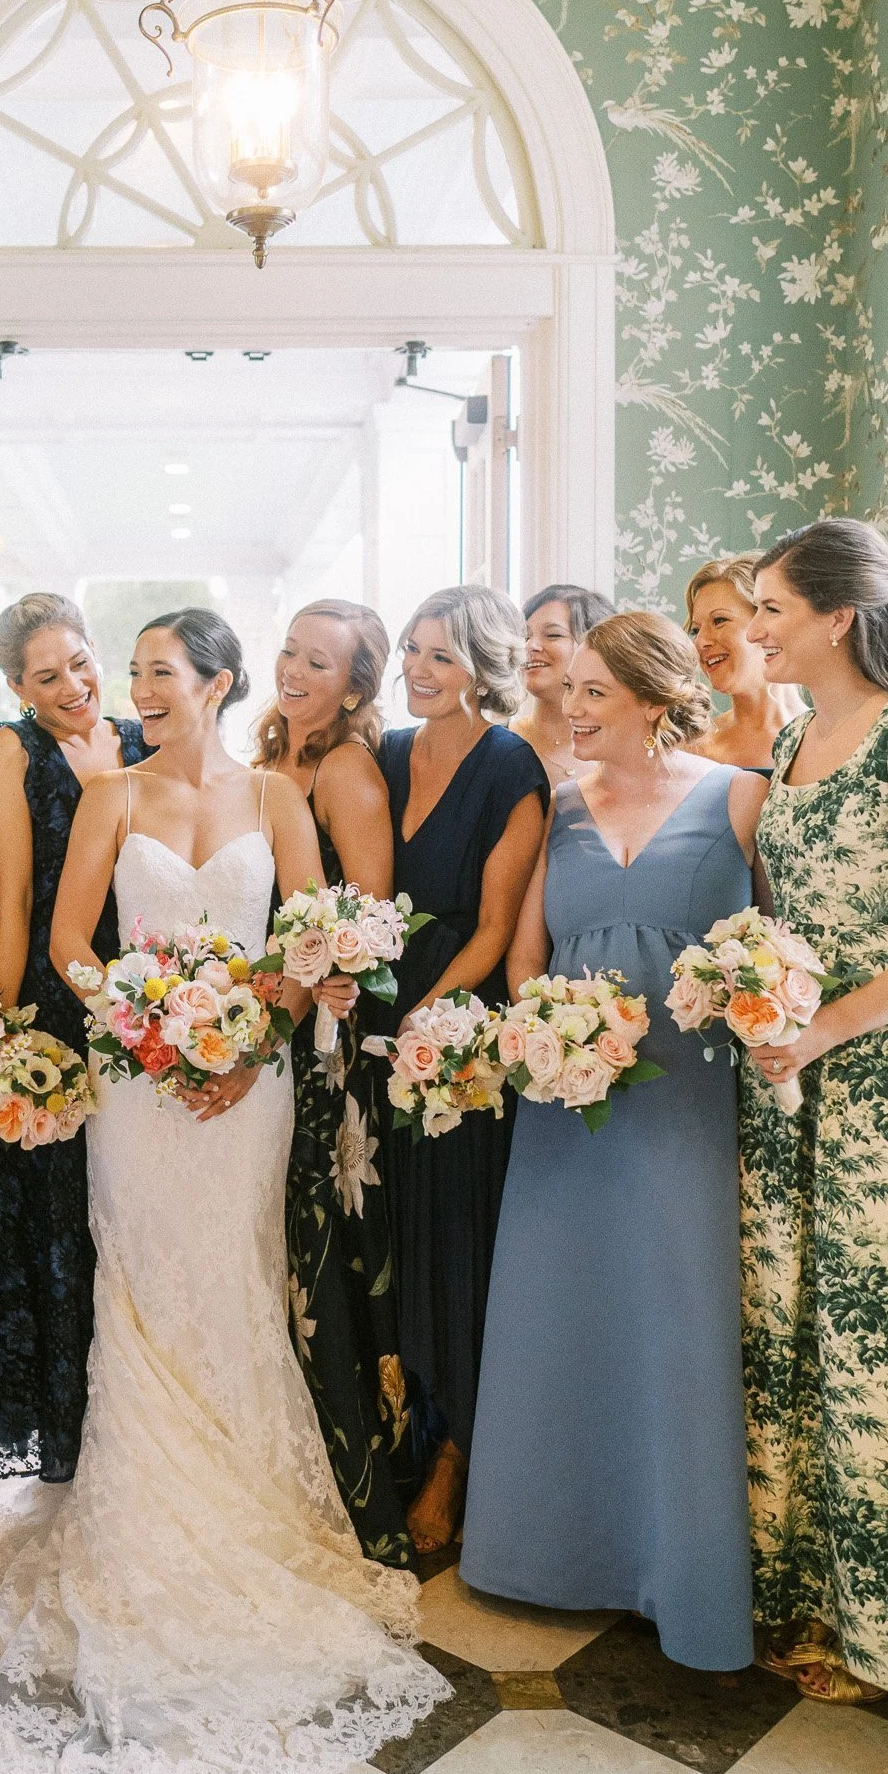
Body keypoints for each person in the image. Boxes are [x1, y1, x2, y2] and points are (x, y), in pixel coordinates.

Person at [0, 609, 444, 1774]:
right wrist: (139, 1014)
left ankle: (256, 1507)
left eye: (158, 674)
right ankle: (138, 1522)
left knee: (234, 1282)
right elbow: (69, 941)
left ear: (216, 683)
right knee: (140, 1289)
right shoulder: (110, 794)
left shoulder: (281, 795)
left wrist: (247, 1032)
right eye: (133, 675)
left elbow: (307, 939)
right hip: (133, 1087)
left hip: (249, 1087)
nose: (136, 691)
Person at [460, 612, 764, 1673]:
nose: (571, 708)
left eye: (594, 692)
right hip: (569, 1103)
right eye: (570, 690)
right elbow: (526, 953)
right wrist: (544, 1036)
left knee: (673, 1322)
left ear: (650, 696)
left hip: (685, 1101)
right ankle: (543, 1556)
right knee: (562, 1313)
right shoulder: (556, 802)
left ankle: (677, 1574)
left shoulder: (741, 796)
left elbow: (774, 952)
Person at [740, 519, 888, 1711]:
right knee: (805, 1337)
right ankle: (824, 1610)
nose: (755, 629)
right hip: (792, 1073)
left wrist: (830, 1025)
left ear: (838, 617)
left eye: (772, 608)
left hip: (887, 1081)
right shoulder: (790, 743)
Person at [0, 594, 148, 1483]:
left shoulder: (136, 737)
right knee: (63, 1215)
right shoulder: (11, 752)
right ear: (14, 686)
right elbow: (13, 902)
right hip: (55, 1001)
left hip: (148, 995)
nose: (74, 684)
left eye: (81, 662)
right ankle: (72, 1435)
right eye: (47, 675)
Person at [377, 586, 549, 1553]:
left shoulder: (510, 765)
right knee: (395, 1231)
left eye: (438, 656)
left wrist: (425, 1018)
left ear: (481, 667)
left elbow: (493, 925)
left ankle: (460, 1456)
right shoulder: (391, 755)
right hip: (374, 1020)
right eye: (409, 649)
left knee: (455, 1233)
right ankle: (402, 1435)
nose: (416, 669)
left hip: (458, 1027)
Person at [254, 598, 413, 1567]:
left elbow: (377, 925)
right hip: (258, 1035)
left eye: (320, 661)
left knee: (321, 1250)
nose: (296, 669)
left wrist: (326, 976)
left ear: (354, 686)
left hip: (325, 1049)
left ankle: (349, 1470)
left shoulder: (346, 771)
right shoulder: (269, 761)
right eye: (289, 650)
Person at [683, 555, 805, 773]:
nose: (700, 641)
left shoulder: (829, 739)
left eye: (719, 621)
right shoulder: (693, 748)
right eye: (695, 630)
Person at [510, 583, 615, 788]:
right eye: (525, 636)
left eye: (552, 635)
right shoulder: (503, 747)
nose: (531, 646)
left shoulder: (625, 746)